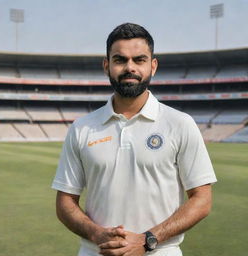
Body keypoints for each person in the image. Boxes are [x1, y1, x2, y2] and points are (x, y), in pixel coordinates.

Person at [52, 23, 217, 256]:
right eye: (120, 60)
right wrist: (97, 234)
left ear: (153, 66)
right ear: (107, 66)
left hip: (160, 251)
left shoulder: (180, 123)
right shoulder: (82, 128)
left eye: (139, 60)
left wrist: (148, 239)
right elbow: (65, 203)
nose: (130, 67)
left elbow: (202, 199)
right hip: (97, 251)